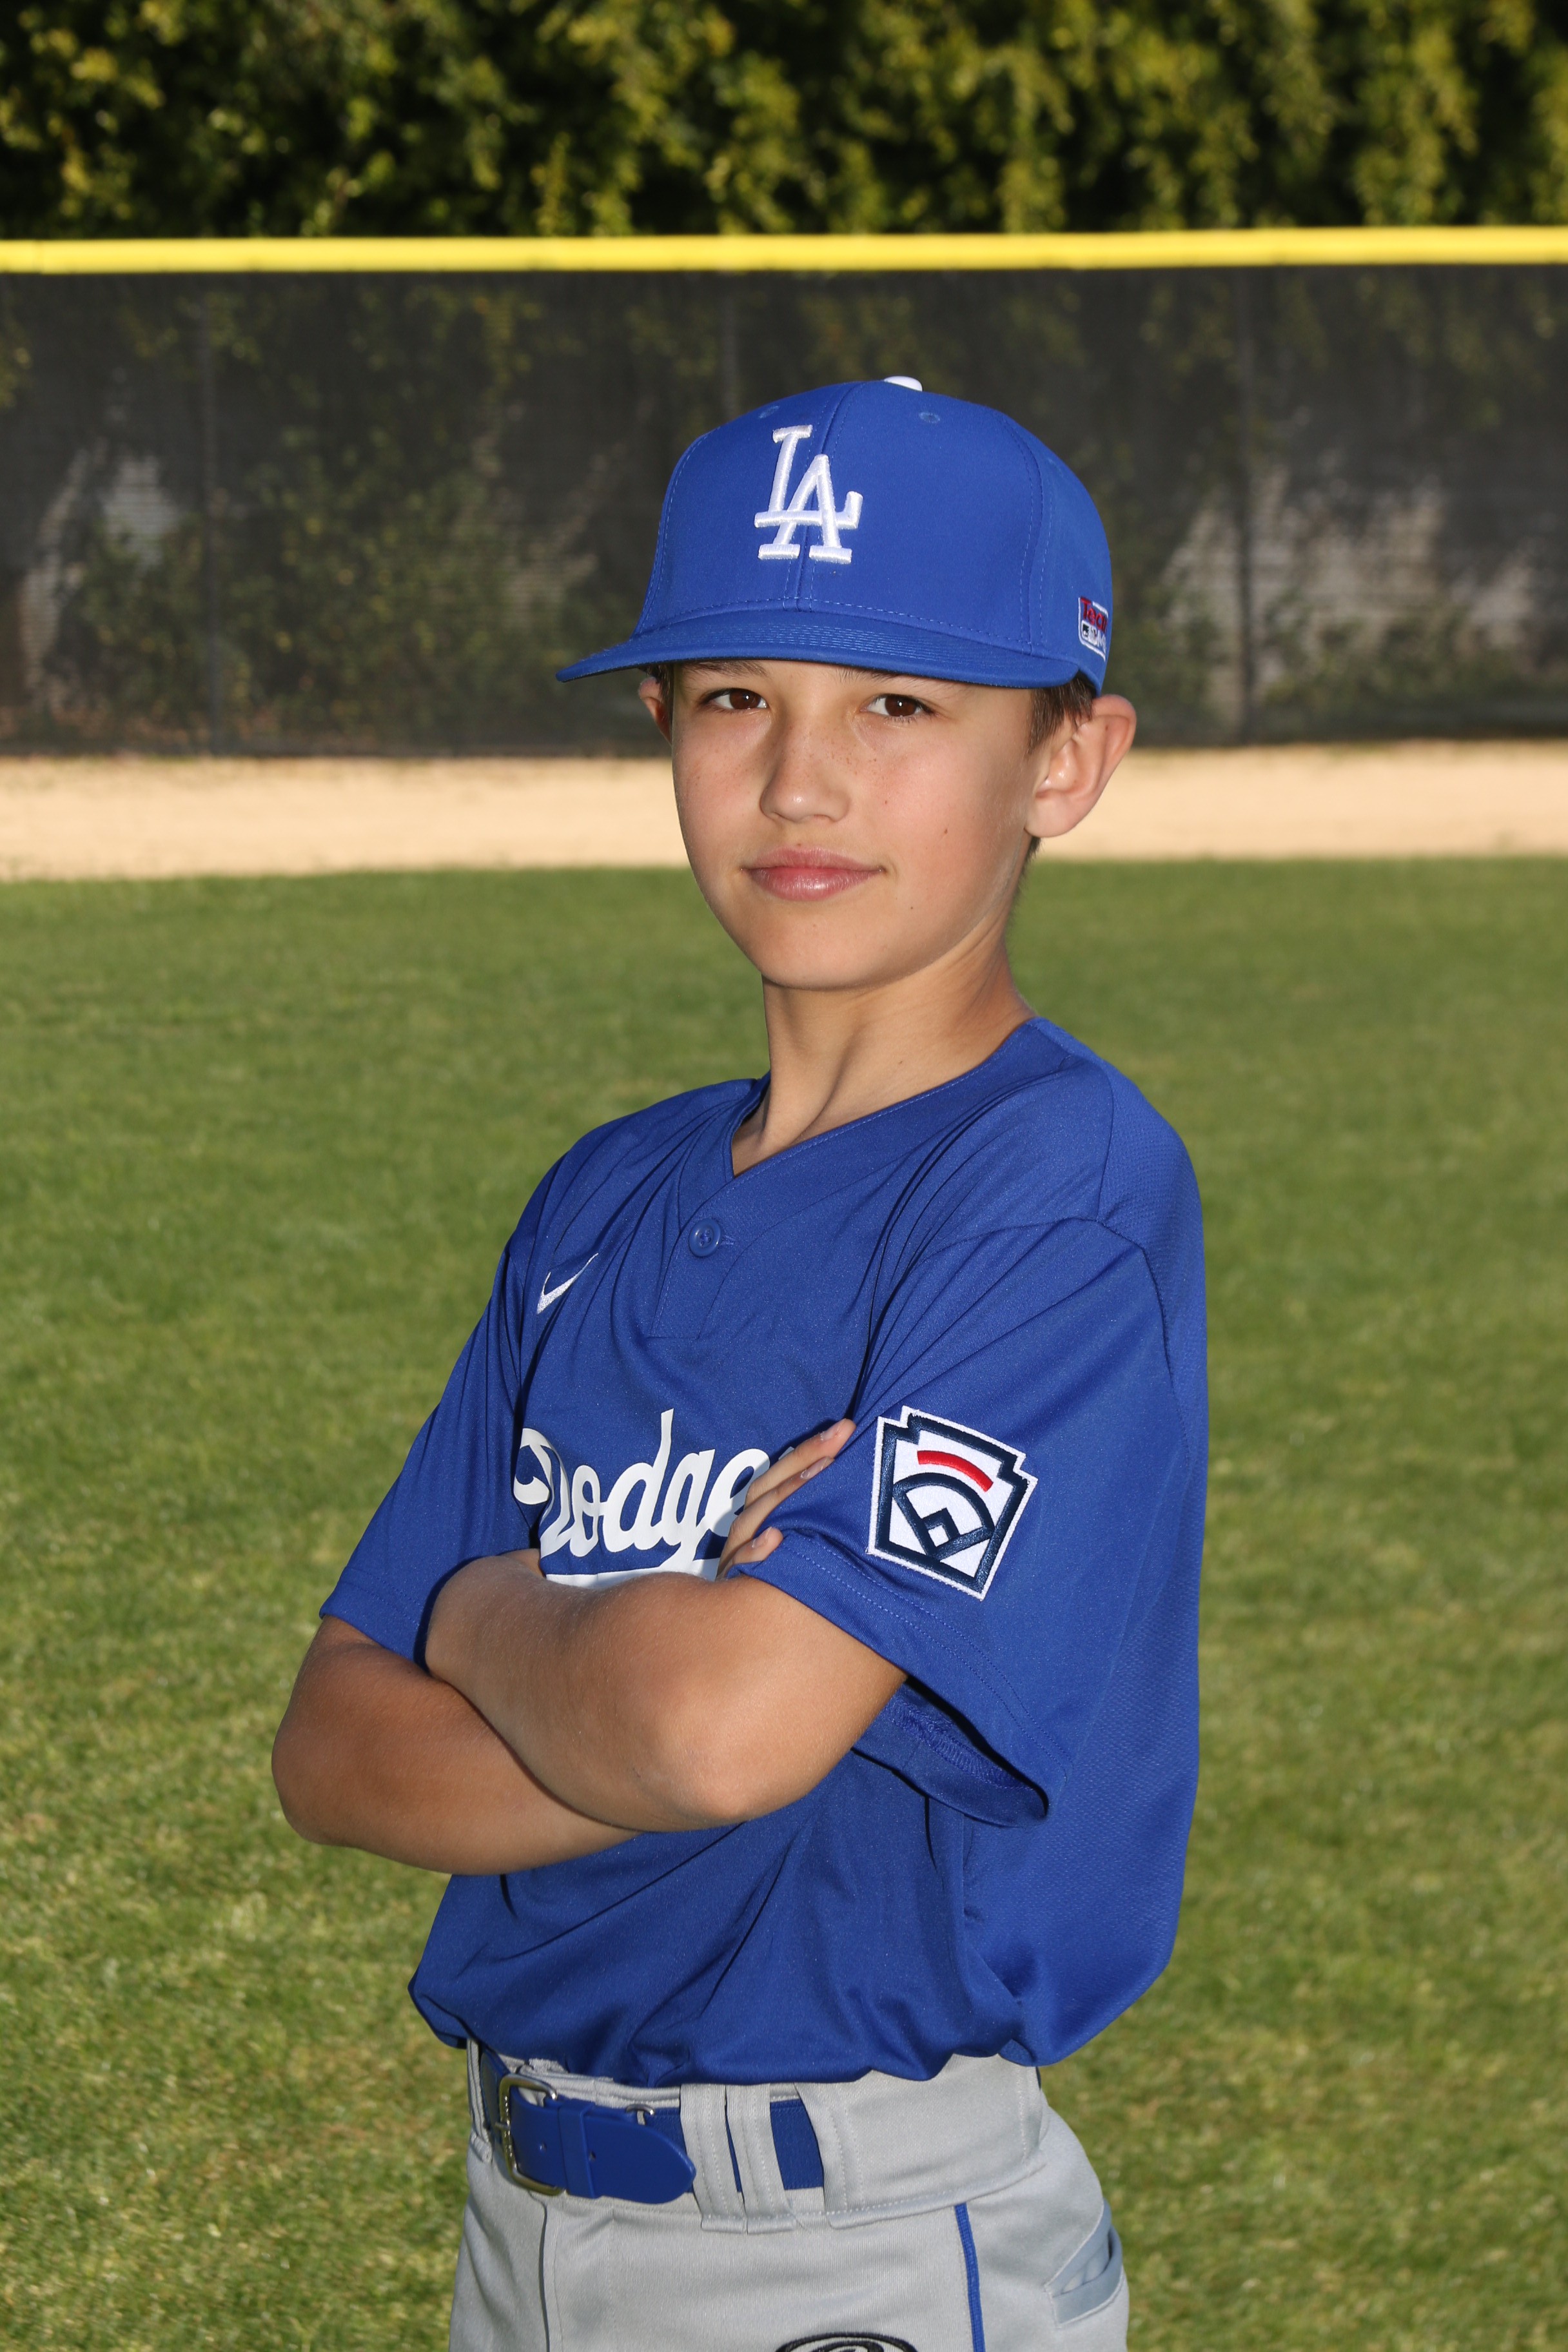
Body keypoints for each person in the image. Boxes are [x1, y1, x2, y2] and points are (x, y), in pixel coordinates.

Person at [273, 375, 1206, 2352]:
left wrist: (493, 1618)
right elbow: (333, 1747)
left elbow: (716, 1735)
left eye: (900, 704)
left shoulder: (1054, 1192)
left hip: (855, 2250)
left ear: (1069, 757)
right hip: (518, 2230)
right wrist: (665, 1664)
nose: (798, 783)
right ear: (662, 725)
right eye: (732, 697)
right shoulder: (601, 1199)